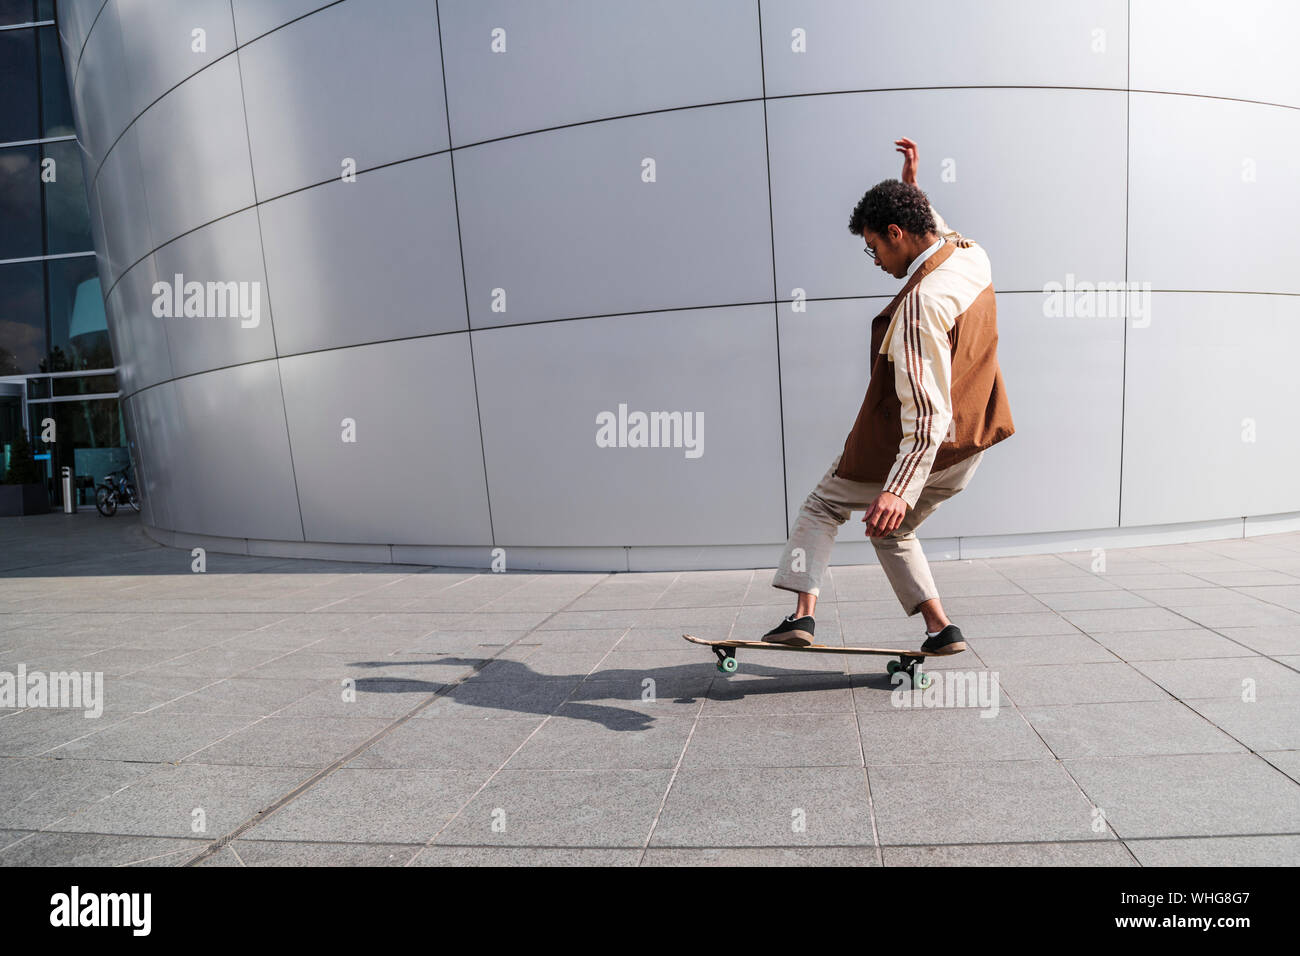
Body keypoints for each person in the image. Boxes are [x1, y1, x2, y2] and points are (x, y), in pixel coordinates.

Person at [764, 137, 1015, 653]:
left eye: (874, 245)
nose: (874, 259)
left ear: (896, 234)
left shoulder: (920, 306)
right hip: (971, 445)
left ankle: (800, 618)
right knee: (890, 531)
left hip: (924, 447)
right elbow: (938, 231)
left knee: (821, 505)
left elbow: (927, 412)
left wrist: (897, 488)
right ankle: (941, 629)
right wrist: (911, 187)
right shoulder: (972, 257)